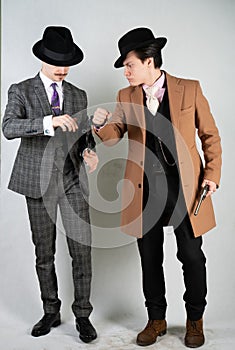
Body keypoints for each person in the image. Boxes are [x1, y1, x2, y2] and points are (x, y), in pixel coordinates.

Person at [92, 27, 222, 347]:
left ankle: (195, 320)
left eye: (129, 65)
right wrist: (99, 124)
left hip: (185, 188)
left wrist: (213, 174)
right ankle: (157, 319)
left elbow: (210, 136)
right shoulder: (126, 96)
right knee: (149, 257)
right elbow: (114, 135)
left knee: (191, 256)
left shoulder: (189, 89)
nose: (126, 71)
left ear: (149, 61)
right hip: (144, 189)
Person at [2, 26, 98, 344]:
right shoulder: (21, 90)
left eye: (67, 61)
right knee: (44, 253)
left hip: (72, 181)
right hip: (37, 183)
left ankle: (82, 315)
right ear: (43, 57)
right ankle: (51, 311)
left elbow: (84, 136)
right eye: (56, 60)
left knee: (81, 251)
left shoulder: (78, 95)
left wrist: (89, 152)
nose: (61, 68)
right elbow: (9, 127)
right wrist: (48, 122)